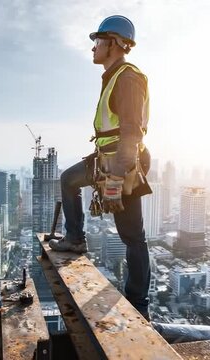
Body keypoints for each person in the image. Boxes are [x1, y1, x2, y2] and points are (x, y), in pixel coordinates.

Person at [49, 15, 152, 320]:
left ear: (115, 43)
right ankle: (75, 237)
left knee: (132, 236)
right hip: (105, 158)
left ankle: (138, 303)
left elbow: (132, 132)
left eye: (98, 41)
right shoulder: (113, 76)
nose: (93, 47)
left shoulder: (128, 78)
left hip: (122, 162)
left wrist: (118, 178)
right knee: (68, 180)